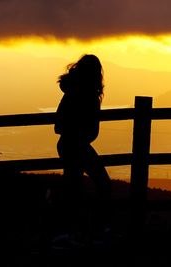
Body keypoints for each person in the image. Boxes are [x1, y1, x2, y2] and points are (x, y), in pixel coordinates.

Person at [53, 54, 112, 246]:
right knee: (101, 184)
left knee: (74, 188)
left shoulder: (71, 92)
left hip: (69, 144)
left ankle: (70, 232)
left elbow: (58, 125)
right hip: (77, 145)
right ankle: (94, 231)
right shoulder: (86, 94)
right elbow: (65, 124)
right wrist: (82, 133)